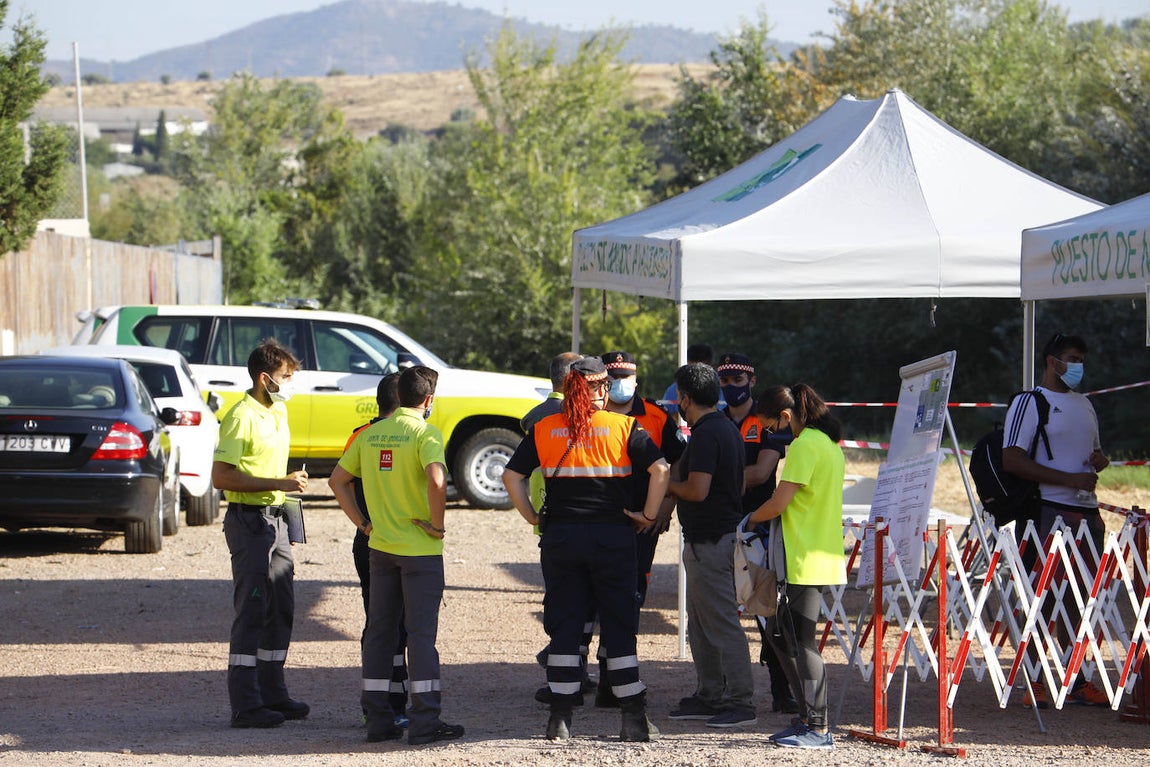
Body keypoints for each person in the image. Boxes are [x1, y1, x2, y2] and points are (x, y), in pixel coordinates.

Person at [503, 356, 669, 743]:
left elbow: (511, 475)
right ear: (601, 388)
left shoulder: (545, 428)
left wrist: (531, 516)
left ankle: (560, 719)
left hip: (561, 539)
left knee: (566, 624)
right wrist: (647, 515)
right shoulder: (623, 426)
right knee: (618, 624)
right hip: (612, 537)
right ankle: (633, 718)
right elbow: (661, 469)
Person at [329, 365, 465, 745]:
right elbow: (437, 479)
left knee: (379, 633)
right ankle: (424, 722)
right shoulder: (425, 433)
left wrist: (363, 523)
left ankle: (378, 721)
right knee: (420, 637)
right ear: (428, 399)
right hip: (420, 551)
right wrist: (436, 525)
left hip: (380, 548)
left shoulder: (369, 434)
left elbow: (337, 481)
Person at [1002, 332, 1110, 708]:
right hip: (1044, 511)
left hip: (1087, 512)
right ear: (1052, 361)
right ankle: (1033, 678)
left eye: (1081, 360)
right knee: (1041, 597)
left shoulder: (1085, 404)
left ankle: (1074, 676)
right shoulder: (1029, 402)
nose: (1078, 366)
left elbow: (1094, 452)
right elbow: (1012, 459)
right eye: (1072, 358)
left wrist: (1100, 461)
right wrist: (1068, 480)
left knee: (1080, 598)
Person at [213, 339, 310, 729]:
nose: (290, 384)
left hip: (278, 520)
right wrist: (279, 482)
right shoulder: (241, 416)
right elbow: (222, 476)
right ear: (264, 378)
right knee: (252, 608)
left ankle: (273, 692)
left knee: (281, 607)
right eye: (286, 377)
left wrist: (285, 491)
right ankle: (246, 704)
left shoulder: (278, 410)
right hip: (249, 522)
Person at [747, 383, 846, 750]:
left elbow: (778, 502)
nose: (770, 433)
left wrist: (748, 520)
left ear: (786, 416)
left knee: (801, 641)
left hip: (803, 557)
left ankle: (817, 727)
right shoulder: (828, 445)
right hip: (816, 553)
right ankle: (807, 717)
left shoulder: (805, 446)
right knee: (779, 633)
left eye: (770, 426)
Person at [665, 362, 757, 729]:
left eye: (678, 398)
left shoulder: (706, 435)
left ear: (685, 399)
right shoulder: (727, 429)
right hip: (714, 539)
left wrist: (664, 483)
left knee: (719, 623)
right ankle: (711, 694)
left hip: (710, 542)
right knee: (702, 624)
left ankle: (740, 701)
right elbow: (736, 484)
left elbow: (696, 490)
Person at [715, 352, 798, 714]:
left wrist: (715, 480)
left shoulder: (766, 421)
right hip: (721, 524)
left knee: (768, 610)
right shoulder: (715, 421)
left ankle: (782, 690)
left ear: (751, 381)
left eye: (738, 380)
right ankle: (722, 690)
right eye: (724, 381)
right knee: (720, 608)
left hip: (760, 526)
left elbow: (763, 473)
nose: (731, 387)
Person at [342, 372, 409, 728]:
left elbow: (340, 482)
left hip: (368, 539)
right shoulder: (411, 435)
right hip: (400, 543)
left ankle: (379, 704)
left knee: (379, 624)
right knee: (398, 626)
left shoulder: (360, 435)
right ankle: (392, 705)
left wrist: (361, 524)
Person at [601, 350, 684, 605]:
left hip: (644, 517)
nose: (620, 382)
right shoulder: (593, 413)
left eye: (626, 376)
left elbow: (679, 458)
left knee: (634, 585)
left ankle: (626, 627)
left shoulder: (656, 414)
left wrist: (667, 503)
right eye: (614, 377)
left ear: (636, 379)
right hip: (600, 514)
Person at [661, 343, 714, 422]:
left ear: (711, 367)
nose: (697, 377)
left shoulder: (721, 389)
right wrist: (678, 417)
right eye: (692, 371)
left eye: (702, 372)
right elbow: (663, 416)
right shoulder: (674, 389)